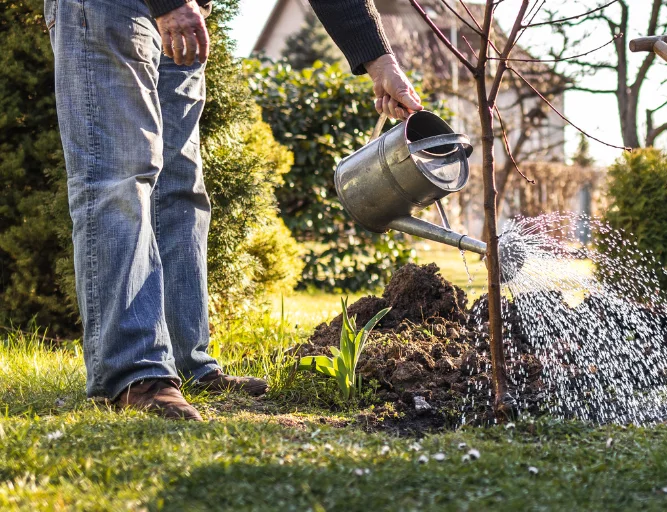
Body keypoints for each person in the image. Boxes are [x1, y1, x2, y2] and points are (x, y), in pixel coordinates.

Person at [45, 0, 422, 421]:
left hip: (184, 15)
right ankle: (135, 372)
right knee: (120, 178)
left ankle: (187, 363)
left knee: (179, 189)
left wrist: (380, 61)